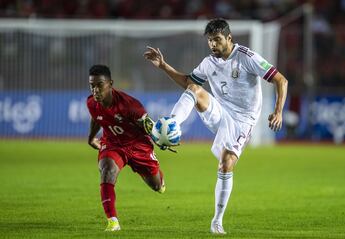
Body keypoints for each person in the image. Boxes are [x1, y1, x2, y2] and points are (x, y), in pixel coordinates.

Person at [144, 18, 288, 234]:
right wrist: (164, 66)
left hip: (242, 120)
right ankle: (172, 123)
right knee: (194, 88)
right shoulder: (208, 62)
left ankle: (217, 221)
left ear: (229, 38)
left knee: (226, 163)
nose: (213, 45)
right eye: (210, 40)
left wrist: (278, 111)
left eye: (217, 40)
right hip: (219, 112)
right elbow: (187, 82)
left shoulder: (246, 57)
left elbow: (281, 80)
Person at [86, 64, 165, 232]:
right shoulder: (92, 103)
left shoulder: (130, 105)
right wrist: (91, 137)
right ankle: (113, 221)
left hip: (138, 146)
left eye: (99, 85)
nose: (95, 90)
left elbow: (148, 126)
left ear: (110, 83)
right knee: (107, 170)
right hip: (113, 144)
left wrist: (161, 140)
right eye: (92, 85)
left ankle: (157, 177)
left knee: (156, 186)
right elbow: (97, 118)